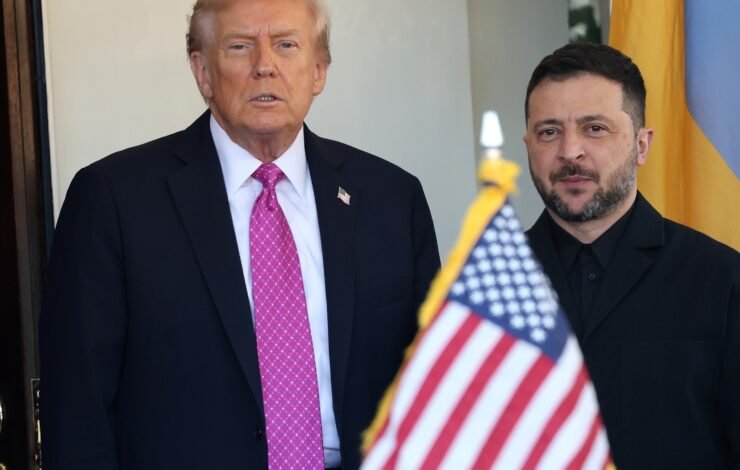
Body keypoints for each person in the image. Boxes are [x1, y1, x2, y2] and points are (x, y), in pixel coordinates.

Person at [38, 0, 440, 468]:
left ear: (318, 70)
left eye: (286, 45)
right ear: (202, 72)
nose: (264, 66)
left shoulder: (392, 198)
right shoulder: (114, 200)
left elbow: (433, 383)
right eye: (239, 46)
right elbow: (77, 409)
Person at [523, 43, 740, 469]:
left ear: (642, 145)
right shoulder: (481, 289)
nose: (570, 151)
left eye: (595, 128)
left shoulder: (725, 283)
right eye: (549, 131)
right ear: (528, 144)